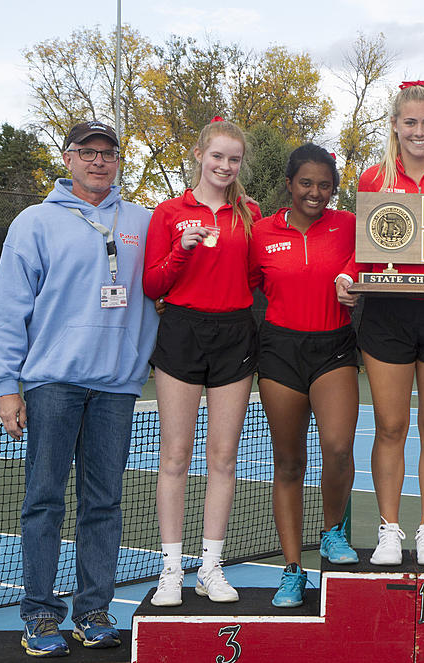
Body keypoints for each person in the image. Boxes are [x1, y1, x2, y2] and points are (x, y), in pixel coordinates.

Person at [0, 120, 158, 656]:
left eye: (108, 153)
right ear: (68, 158)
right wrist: (6, 386)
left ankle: (93, 613)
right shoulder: (33, 222)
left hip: (116, 388)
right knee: (43, 502)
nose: (99, 161)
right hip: (52, 384)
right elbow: (8, 309)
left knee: (103, 503)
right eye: (88, 152)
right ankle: (40, 616)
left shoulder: (144, 223)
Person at [335, 81, 424, 566]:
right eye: (410, 122)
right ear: (395, 124)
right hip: (387, 316)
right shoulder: (374, 178)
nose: (419, 131)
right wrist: (346, 277)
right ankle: (391, 530)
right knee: (390, 426)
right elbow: (363, 252)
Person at [143, 117, 261, 606]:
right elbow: (152, 285)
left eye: (234, 159)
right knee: (173, 457)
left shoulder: (251, 213)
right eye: (218, 156)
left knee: (223, 459)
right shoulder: (170, 213)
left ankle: (211, 567)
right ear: (199, 154)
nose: (226, 166)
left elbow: (258, 278)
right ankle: (171, 569)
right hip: (181, 333)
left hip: (235, 334)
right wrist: (179, 251)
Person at [249, 144, 359, 607]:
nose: (316, 193)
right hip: (279, 351)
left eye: (325, 185)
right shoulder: (260, 233)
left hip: (334, 348)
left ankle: (332, 530)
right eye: (306, 183)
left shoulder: (351, 226)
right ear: (289, 185)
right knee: (289, 463)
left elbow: (376, 261)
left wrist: (352, 276)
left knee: (337, 447)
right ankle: (292, 570)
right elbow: (238, 282)